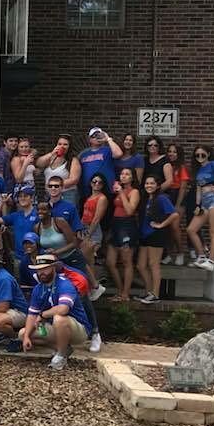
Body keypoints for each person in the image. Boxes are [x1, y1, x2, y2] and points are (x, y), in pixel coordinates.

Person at [19, 255, 93, 371]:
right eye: (38, 270)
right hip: (55, 326)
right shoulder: (38, 288)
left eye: (45, 269)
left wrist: (43, 315)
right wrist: (27, 337)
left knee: (60, 318)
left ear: (53, 268)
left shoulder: (65, 284)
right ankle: (64, 348)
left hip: (78, 329)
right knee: (23, 334)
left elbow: (63, 309)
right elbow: (32, 314)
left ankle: (61, 356)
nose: (41, 272)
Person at [134, 174, 180, 305]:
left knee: (153, 264)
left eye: (152, 183)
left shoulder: (162, 198)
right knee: (141, 265)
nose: (149, 186)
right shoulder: (146, 198)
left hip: (156, 234)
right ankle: (149, 292)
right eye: (147, 183)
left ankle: (155, 294)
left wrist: (161, 225)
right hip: (144, 235)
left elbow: (175, 214)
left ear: (158, 185)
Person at [106, 167, 141, 302]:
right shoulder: (118, 190)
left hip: (127, 225)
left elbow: (130, 210)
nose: (124, 176)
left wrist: (121, 193)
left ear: (132, 178)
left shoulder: (134, 192)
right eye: (122, 174)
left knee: (126, 261)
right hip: (116, 224)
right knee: (110, 262)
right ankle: (120, 290)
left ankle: (125, 294)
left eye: (127, 174)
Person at [0, 185, 38, 267]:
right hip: (18, 257)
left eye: (25, 196)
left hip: (34, 257)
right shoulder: (16, 215)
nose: (22, 198)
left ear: (32, 198)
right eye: (20, 196)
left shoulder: (38, 214)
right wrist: (1, 203)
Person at [35, 134, 82, 207]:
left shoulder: (73, 160)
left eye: (65, 144)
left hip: (67, 194)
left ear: (69, 147)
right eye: (59, 144)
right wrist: (52, 153)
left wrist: (55, 185)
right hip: (49, 194)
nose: (62, 146)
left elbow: (74, 179)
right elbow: (39, 163)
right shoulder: (51, 157)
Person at [164, 143, 191, 266]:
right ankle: (169, 255)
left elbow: (183, 187)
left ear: (179, 154)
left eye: (174, 152)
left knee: (175, 227)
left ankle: (180, 253)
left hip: (177, 197)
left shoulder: (181, 167)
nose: (171, 154)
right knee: (167, 228)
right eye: (169, 151)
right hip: (167, 196)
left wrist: (178, 205)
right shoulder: (167, 166)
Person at [77, 127, 122, 198]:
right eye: (94, 136)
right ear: (90, 139)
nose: (97, 138)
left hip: (106, 190)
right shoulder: (83, 155)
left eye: (99, 135)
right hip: (88, 191)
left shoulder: (108, 150)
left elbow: (118, 154)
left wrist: (108, 139)